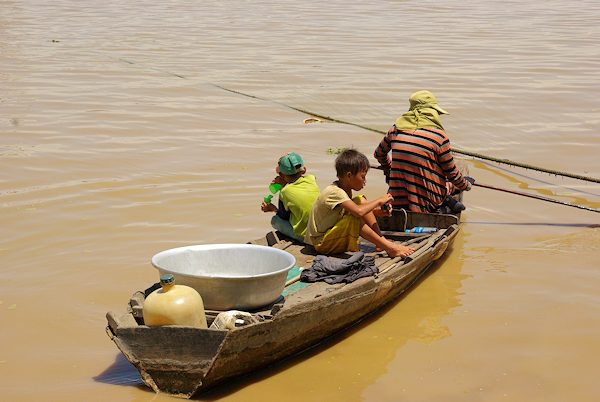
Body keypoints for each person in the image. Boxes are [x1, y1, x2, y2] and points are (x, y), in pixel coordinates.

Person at [374, 90, 472, 213]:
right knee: (452, 181)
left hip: (396, 199)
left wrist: (389, 169)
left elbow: (379, 154)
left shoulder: (395, 130)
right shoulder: (439, 137)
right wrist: (466, 185)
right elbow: (451, 173)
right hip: (428, 205)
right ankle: (446, 200)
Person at [305, 149, 414, 258]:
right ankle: (390, 247)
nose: (365, 181)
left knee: (360, 200)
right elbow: (358, 212)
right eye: (363, 176)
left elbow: (352, 211)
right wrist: (379, 201)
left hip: (330, 235)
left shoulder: (344, 189)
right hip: (321, 243)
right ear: (349, 176)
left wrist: (379, 211)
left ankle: (381, 242)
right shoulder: (334, 192)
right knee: (355, 217)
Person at [261, 152, 320, 242]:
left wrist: (273, 208)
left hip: (307, 238)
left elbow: (283, 217)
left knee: (275, 220)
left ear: (281, 176)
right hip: (321, 231)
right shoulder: (312, 180)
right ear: (304, 170)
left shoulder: (285, 192)